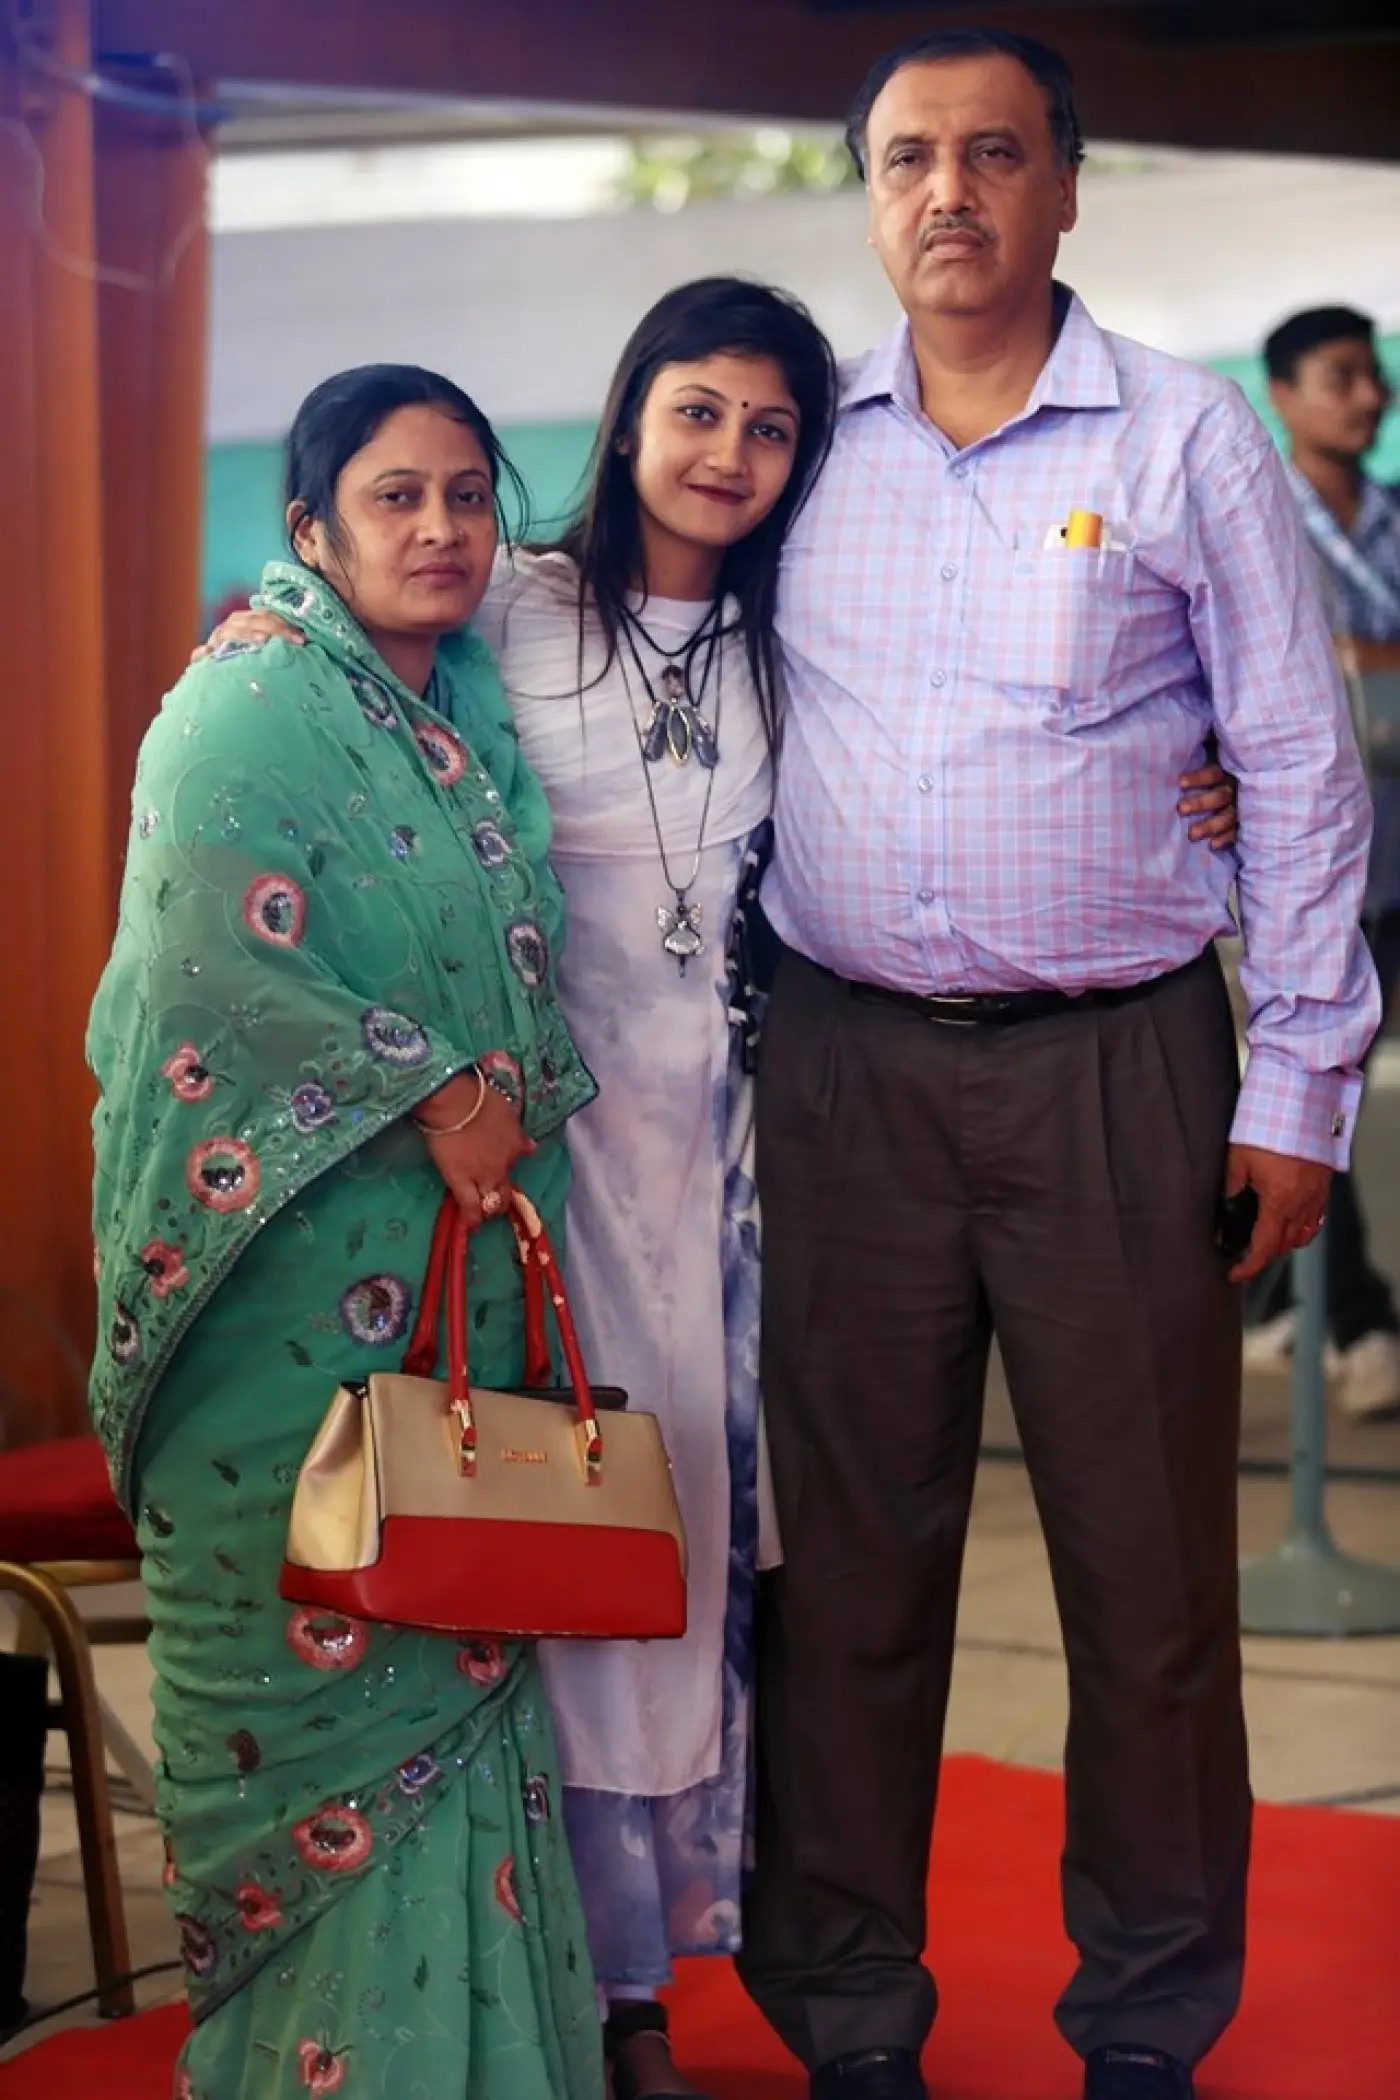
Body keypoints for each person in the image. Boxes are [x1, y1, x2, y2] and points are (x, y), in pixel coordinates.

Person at [197, 277, 1238, 2100]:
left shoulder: (792, 629)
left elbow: (985, 743)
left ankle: (664, 1964)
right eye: (698, 412)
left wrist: (1189, 778)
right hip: (540, 1150)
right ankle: (589, 1993)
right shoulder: (507, 603)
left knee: (694, 1552)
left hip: (749, 1153)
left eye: (772, 429)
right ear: (627, 419)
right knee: (534, 1523)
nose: (731, 456)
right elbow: (336, 746)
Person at [734, 30, 1379, 2100]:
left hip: (1116, 1071)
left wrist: (1300, 1085)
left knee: (1147, 1582)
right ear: (868, 193)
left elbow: (1293, 764)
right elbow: (614, 618)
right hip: (839, 1076)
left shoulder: (1186, 438)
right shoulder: (798, 443)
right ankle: (847, 2021)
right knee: (843, 1574)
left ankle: (1146, 2030)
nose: (948, 192)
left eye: (992, 153)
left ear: (1065, 187)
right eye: (908, 157)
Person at [88, 366, 603, 2100]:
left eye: (469, 495)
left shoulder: (459, 712)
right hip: (272, 1310)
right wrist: (437, 1088)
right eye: (397, 496)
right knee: (318, 1701)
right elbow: (205, 971)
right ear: (310, 527)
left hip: (445, 1292)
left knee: (454, 1652)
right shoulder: (242, 703)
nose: (442, 529)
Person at [1244, 306, 1400, 1418]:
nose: (1367, 397)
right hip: (1313, 864)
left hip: (1399, 842)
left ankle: (1306, 1310)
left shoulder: (1393, 516)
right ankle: (1352, 1317)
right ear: (1284, 395)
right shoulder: (1259, 521)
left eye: (1372, 376)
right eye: (1340, 377)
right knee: (1314, 1089)